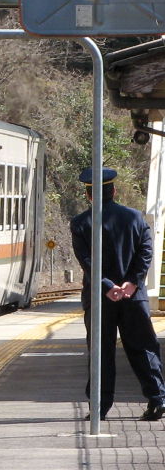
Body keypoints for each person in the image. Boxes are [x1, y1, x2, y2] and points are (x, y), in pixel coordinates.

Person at [70, 166, 165, 420]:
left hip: (100, 298)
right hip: (134, 298)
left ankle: (99, 408)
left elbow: (86, 261)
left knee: (101, 351)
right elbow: (146, 252)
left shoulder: (80, 223)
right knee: (143, 347)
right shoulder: (135, 218)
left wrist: (107, 285)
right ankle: (158, 400)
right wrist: (132, 283)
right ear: (114, 191)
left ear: (89, 195)